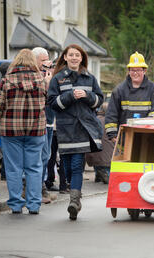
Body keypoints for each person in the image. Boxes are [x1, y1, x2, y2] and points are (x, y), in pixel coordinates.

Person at [48, 44, 104, 220]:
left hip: (83, 129)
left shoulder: (89, 78)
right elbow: (52, 103)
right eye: (71, 55)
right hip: (64, 129)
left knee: (76, 166)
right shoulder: (58, 79)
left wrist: (87, 96)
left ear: (81, 58)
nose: (74, 58)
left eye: (77, 55)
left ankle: (73, 201)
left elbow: (99, 101)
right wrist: (70, 96)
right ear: (65, 57)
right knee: (67, 167)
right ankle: (76, 196)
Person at [0, 49, 47, 214]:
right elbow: (46, 104)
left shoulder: (7, 81)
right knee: (34, 167)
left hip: (11, 131)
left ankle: (15, 204)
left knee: (14, 168)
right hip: (36, 130)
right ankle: (34, 204)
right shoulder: (42, 81)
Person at [105, 52, 154, 143]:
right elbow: (111, 114)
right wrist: (113, 135)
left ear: (144, 71)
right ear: (129, 71)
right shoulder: (119, 90)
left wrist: (149, 121)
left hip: (147, 137)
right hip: (125, 139)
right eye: (132, 70)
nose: (135, 73)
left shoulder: (153, 89)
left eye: (138, 70)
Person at [32, 47, 56, 204]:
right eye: (43, 60)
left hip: (49, 121)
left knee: (46, 156)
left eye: (48, 59)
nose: (46, 63)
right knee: (38, 158)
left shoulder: (50, 76)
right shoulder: (33, 77)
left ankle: (41, 187)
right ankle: (35, 189)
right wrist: (45, 81)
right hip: (37, 123)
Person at [86, 102, 113, 184]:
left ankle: (98, 174)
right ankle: (104, 173)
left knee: (97, 156)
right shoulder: (111, 122)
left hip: (93, 154)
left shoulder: (93, 120)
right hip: (108, 157)